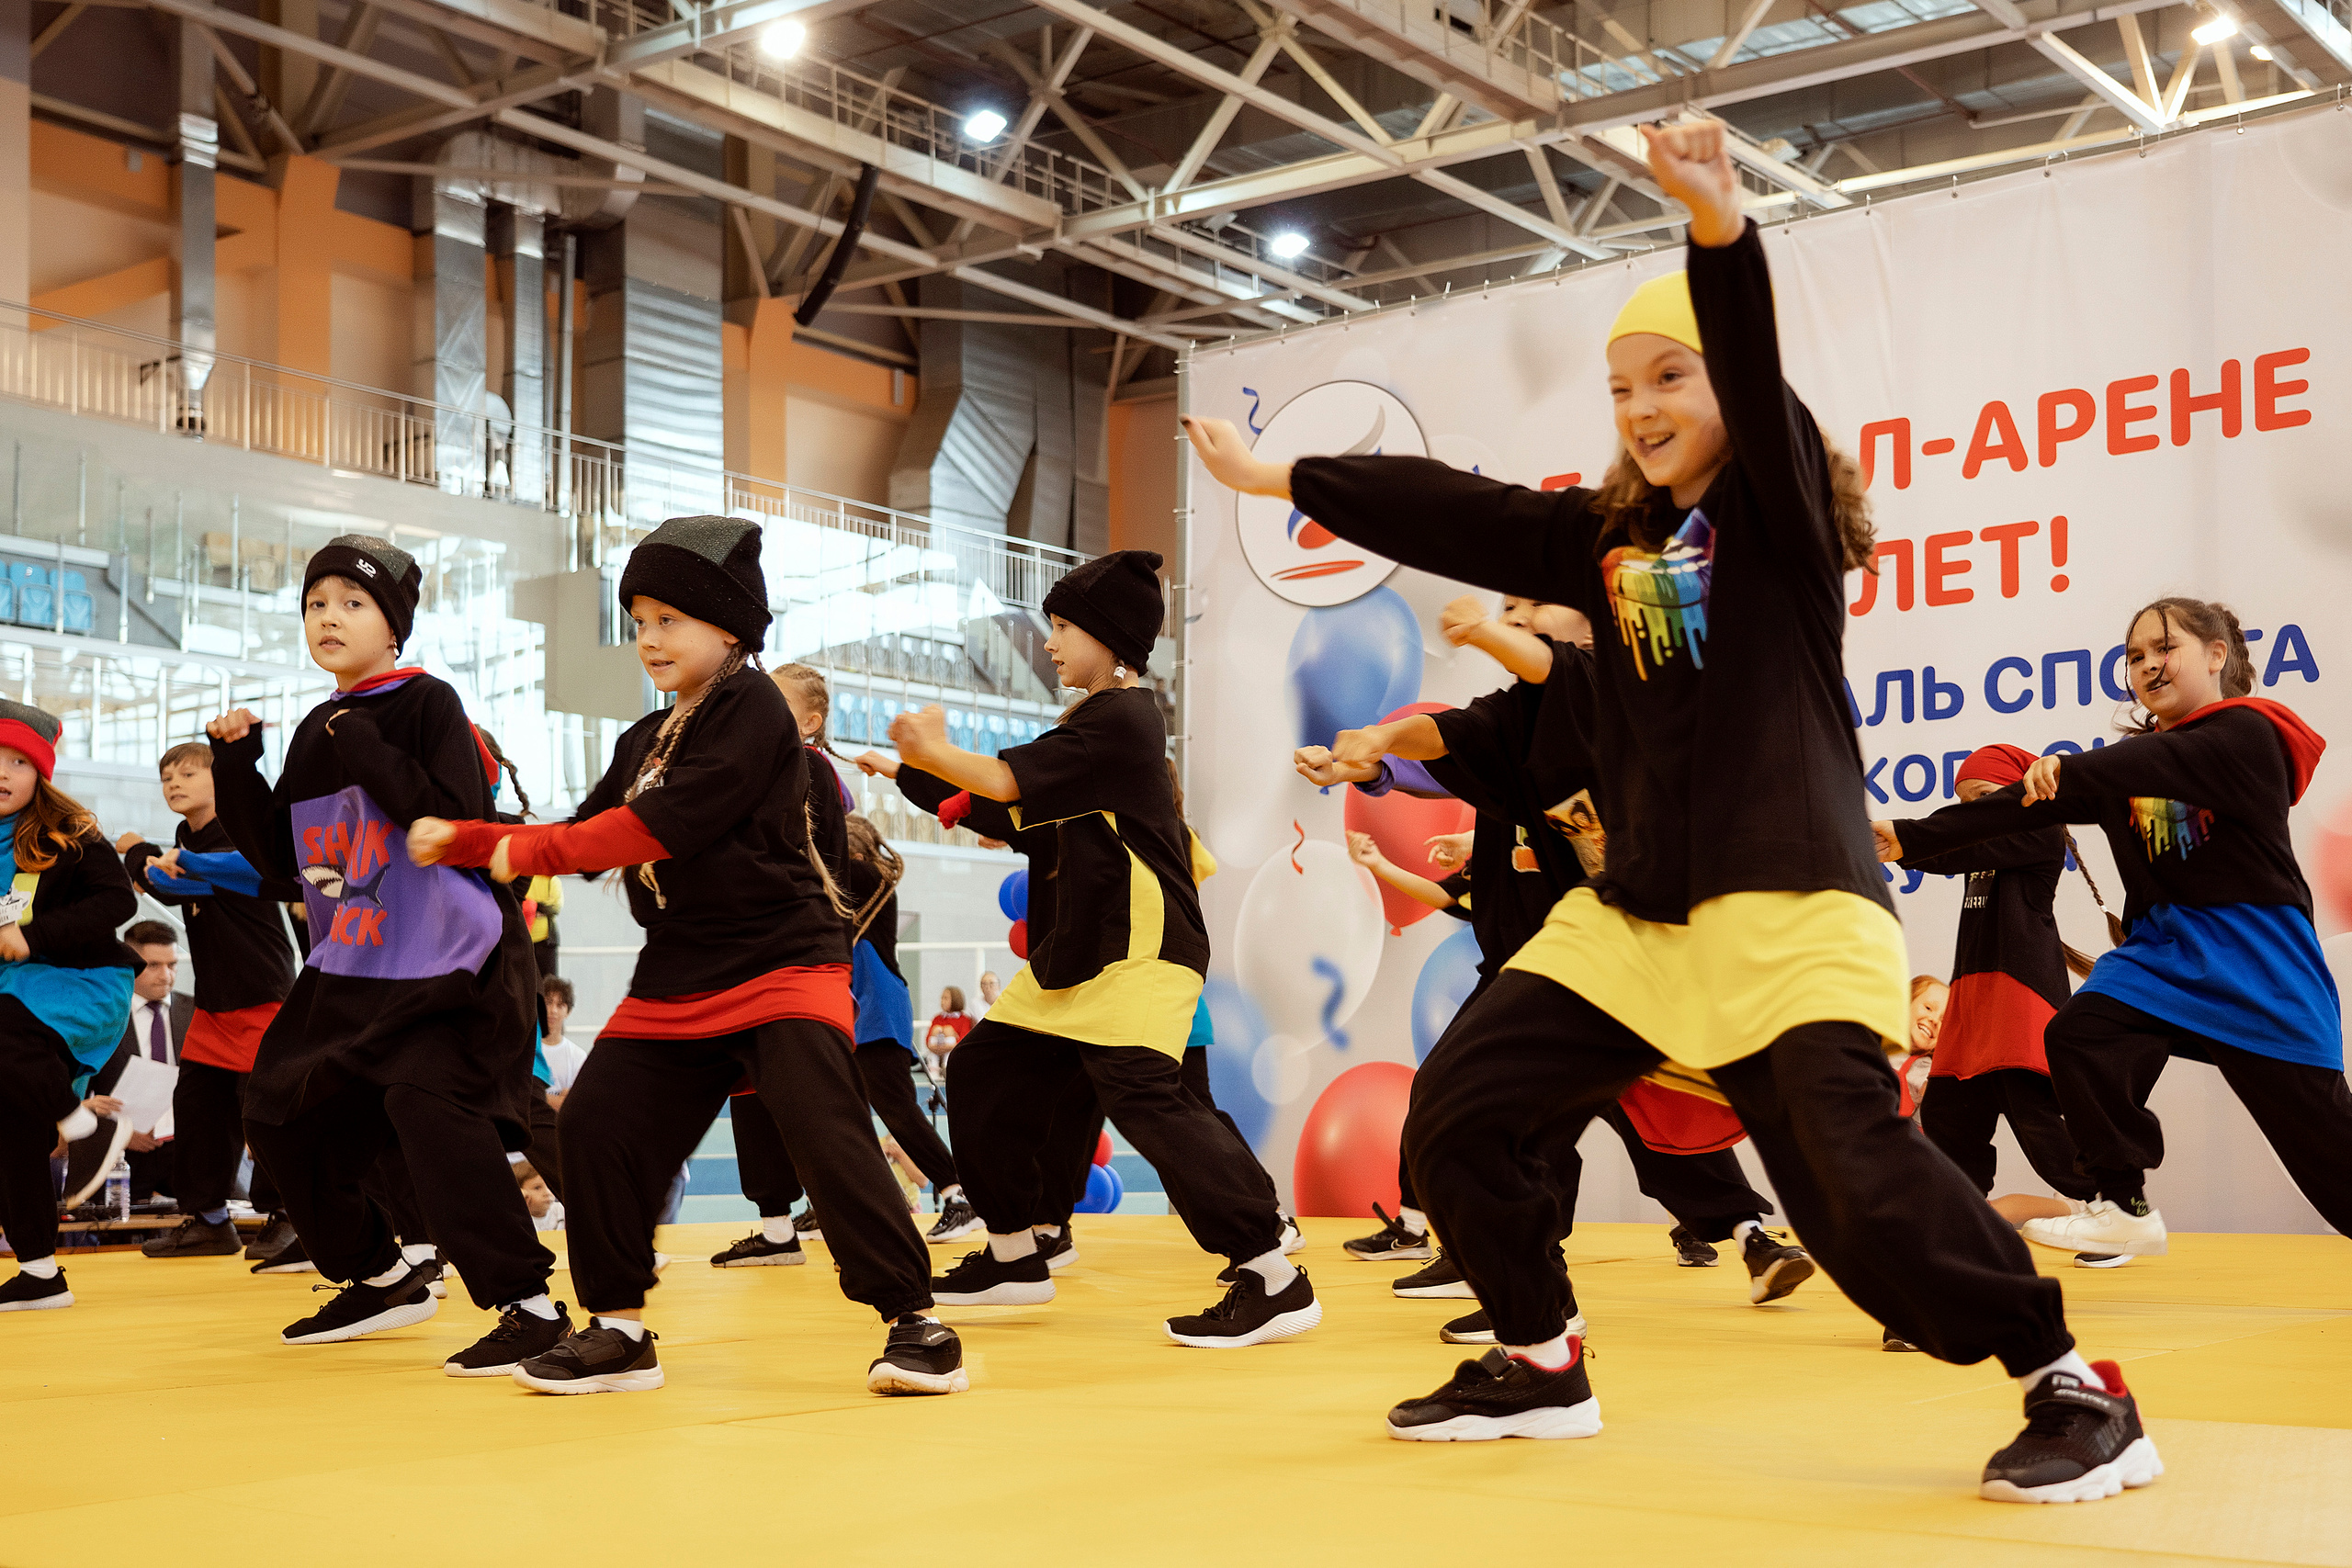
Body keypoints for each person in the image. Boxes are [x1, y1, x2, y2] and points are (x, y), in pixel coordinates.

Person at [1180, 119, 2151, 1503]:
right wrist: (1288, 480)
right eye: (1623, 384)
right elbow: (1463, 506)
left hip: (1790, 904)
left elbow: (1755, 385)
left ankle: (2069, 1379)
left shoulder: (1777, 533)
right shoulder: (1603, 544)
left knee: (1851, 1183)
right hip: (1635, 915)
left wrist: (1719, 233)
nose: (1641, 406)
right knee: (1459, 1112)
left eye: (1670, 375)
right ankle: (1539, 1357)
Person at [411, 515, 966, 1397]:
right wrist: (481, 851)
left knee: (820, 1123)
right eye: (638, 621)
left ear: (730, 630)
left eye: (670, 619)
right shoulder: (642, 741)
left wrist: (496, 847)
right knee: (594, 1121)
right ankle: (620, 1328)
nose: (649, 639)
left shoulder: (754, 711)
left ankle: (916, 1322)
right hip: (682, 969)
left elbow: (655, 827)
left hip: (783, 959)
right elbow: (579, 830)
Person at [1315, 595, 1800, 1340]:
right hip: (1548, 966)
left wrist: (1481, 629)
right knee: (1486, 1119)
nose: (1517, 616)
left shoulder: (1619, 691)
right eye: (1509, 605)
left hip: (1626, 961)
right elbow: (1443, 741)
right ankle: (1523, 1295)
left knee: (1640, 1121)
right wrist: (1375, 749)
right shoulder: (1516, 720)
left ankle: (1763, 1240)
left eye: (1531, 605)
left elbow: (1554, 674)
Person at [877, 549, 1320, 1348]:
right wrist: (915, 771)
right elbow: (1010, 814)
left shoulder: (1125, 719)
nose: (1049, 641)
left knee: (1147, 1095)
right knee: (981, 1071)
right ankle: (1016, 1255)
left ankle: (1272, 1274)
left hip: (1138, 947)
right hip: (1075, 959)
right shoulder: (1087, 726)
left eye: (1063, 626)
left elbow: (1008, 785)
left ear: (1112, 639)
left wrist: (935, 752)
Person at [1876, 596, 2346, 1263]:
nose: (2149, 664)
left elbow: (2127, 769)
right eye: (2135, 656)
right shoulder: (2127, 766)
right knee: (2078, 1034)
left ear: (2217, 655)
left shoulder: (2250, 734)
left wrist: (2074, 771)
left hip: (2257, 965)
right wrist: (1910, 838)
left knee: (2334, 1169)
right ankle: (2122, 1204)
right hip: (2166, 958)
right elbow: (2015, 809)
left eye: (2165, 648)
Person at [204, 534, 561, 1373]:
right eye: (315, 604)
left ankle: (530, 1305)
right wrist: (236, 765)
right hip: (351, 963)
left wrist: (364, 741)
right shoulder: (313, 727)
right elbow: (281, 861)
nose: (328, 617)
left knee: (428, 1107)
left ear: (392, 627)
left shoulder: (429, 703)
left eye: (351, 603)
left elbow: (449, 817)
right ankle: (380, 1272)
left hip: (446, 955)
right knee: (275, 1107)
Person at [1891, 746, 2109, 1213]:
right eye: (1968, 804)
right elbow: (1964, 844)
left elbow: (1960, 844)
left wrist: (1904, 842)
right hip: (1974, 1003)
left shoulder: (2038, 832)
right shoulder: (1991, 841)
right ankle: (1958, 1215)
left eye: (1986, 798)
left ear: (2024, 791)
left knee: (2036, 1119)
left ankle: (2111, 1204)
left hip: (2016, 1001)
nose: (1977, 814)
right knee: (1950, 1115)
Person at [119, 739, 305, 1261]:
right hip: (216, 1001)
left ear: (220, 780)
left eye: (188, 774)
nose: (174, 784)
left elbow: (174, 884)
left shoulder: (241, 837)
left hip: (260, 994)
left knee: (265, 1116)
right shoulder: (186, 836)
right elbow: (170, 873)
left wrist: (134, 849)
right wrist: (147, 857)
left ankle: (293, 1217)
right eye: (167, 777)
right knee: (197, 1108)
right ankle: (208, 1218)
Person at [0, 700, 141, 1312]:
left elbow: (117, 903)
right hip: (13, 999)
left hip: (81, 981)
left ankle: (77, 1115)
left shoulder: (69, 834)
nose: (1, 772)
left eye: (15, 761)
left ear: (41, 774)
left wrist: (33, 937)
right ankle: (40, 1273)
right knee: (11, 1133)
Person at [81, 923, 191, 1205]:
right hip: (120, 1155)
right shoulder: (101, 1016)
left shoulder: (197, 1012)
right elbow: (78, 1096)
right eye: (153, 965)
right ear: (130, 962)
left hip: (187, 1150)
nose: (166, 976)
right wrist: (119, 1135)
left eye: (172, 965)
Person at [541, 976, 586, 1107]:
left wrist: (540, 1097)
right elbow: (522, 1097)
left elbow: (577, 1104)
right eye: (548, 1002)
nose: (553, 1010)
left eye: (560, 1005)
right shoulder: (526, 1050)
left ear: (568, 1012)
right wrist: (556, 1100)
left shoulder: (578, 1056)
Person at [926, 986, 974, 1066]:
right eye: (942, 998)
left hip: (954, 1052)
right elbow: (928, 1038)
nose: (942, 1001)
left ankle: (946, 1066)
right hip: (936, 1051)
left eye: (946, 998)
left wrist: (949, 1046)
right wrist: (935, 1047)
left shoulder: (964, 1019)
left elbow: (964, 1039)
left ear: (955, 1000)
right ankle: (934, 1068)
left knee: (949, 1034)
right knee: (936, 1030)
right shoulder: (937, 1018)